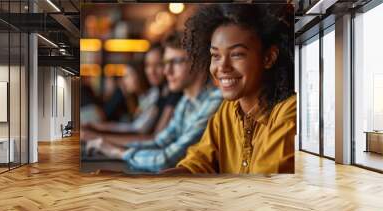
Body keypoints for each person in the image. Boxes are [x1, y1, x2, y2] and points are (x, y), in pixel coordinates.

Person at [162, 4, 296, 174]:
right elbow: (195, 165)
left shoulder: (290, 112)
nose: (222, 67)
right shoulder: (227, 111)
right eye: (215, 56)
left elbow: (264, 188)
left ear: (268, 57)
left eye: (237, 54)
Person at [88, 32, 223, 172]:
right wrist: (108, 146)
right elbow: (159, 142)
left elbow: (169, 159)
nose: (166, 71)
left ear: (198, 63)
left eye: (175, 62)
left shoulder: (215, 100)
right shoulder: (186, 100)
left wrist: (118, 152)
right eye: (165, 63)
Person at [88, 44, 182, 135]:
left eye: (158, 64)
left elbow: (148, 135)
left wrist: (100, 135)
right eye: (148, 65)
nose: (151, 71)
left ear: (139, 75)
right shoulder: (159, 93)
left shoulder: (161, 94)